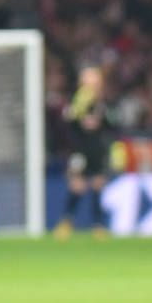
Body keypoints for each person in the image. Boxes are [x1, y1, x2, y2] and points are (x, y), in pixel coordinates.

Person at [53, 66, 112, 239]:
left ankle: (98, 225)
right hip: (79, 149)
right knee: (77, 186)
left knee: (97, 185)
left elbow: (111, 124)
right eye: (87, 80)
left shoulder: (103, 103)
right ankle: (66, 222)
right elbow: (69, 123)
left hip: (97, 149)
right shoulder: (76, 100)